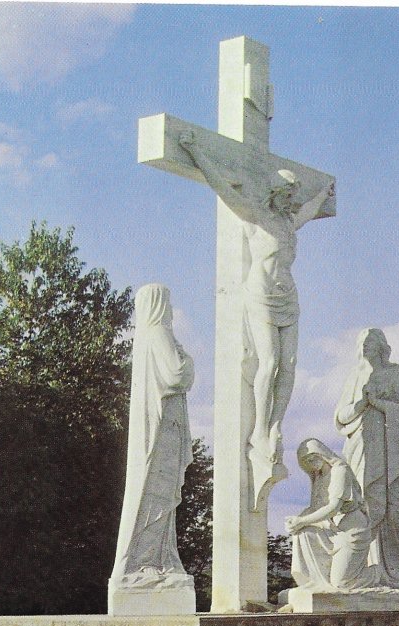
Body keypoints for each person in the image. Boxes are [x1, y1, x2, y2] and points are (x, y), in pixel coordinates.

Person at [179, 130, 334, 463]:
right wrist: (195, 151)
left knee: (289, 365)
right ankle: (260, 429)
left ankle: (276, 424)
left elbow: (309, 210)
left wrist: (322, 195)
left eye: (295, 196)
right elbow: (221, 186)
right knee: (271, 362)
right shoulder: (255, 217)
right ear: (275, 193)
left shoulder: (289, 223)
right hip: (261, 293)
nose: (293, 200)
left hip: (288, 295)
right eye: (289, 194)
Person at [110, 283, 195, 587]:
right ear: (160, 305)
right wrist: (188, 360)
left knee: (159, 497)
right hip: (162, 433)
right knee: (157, 496)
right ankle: (145, 562)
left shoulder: (149, 336)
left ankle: (158, 559)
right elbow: (177, 374)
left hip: (162, 428)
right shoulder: (159, 333)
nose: (171, 310)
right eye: (168, 303)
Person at [334, 328, 399, 590]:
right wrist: (361, 404)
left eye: (370, 342)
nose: (364, 347)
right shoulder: (354, 375)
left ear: (382, 346)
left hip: (390, 452)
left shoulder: (394, 373)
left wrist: (380, 404)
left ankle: (396, 571)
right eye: (361, 343)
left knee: (393, 507)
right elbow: (340, 416)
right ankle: (362, 571)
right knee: (365, 506)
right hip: (361, 448)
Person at [285, 439, 379, 591]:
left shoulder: (340, 470)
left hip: (352, 530)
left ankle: (379, 574)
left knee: (341, 583)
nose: (311, 463)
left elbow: (333, 508)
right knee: (302, 533)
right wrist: (296, 522)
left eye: (312, 458)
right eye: (306, 462)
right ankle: (314, 582)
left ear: (321, 453)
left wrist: (302, 520)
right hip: (333, 529)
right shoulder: (319, 478)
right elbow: (316, 509)